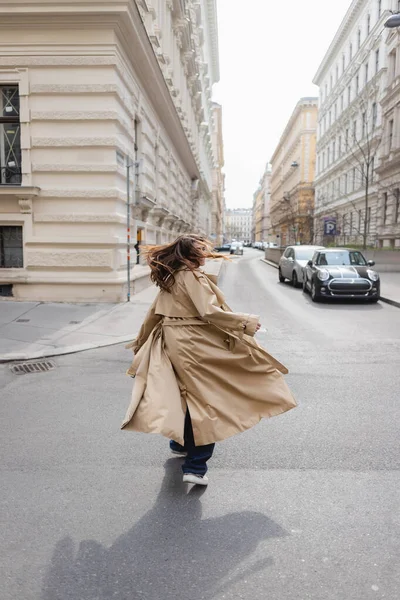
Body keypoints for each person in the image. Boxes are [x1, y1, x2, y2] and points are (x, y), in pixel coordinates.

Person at [121, 234, 296, 486]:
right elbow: (208, 311)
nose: (205, 254)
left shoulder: (171, 277)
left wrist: (141, 341)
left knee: (187, 395)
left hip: (174, 341)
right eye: (200, 250)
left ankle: (179, 442)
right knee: (207, 399)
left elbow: (153, 315)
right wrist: (246, 322)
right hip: (193, 343)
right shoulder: (191, 277)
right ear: (189, 254)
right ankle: (196, 466)